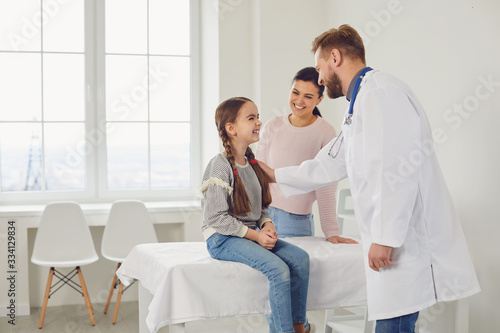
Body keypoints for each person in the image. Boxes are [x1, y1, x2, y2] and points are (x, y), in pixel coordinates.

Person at [258, 25, 481, 332]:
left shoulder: (381, 94)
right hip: (391, 246)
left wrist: (385, 238)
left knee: (395, 323)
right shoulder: (360, 102)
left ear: (335, 57)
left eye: (321, 68)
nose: (320, 79)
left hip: (402, 244)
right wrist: (272, 174)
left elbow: (397, 169)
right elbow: (330, 163)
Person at [200, 97, 311, 333]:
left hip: (246, 234)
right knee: (278, 269)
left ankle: (299, 327)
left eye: (258, 116)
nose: (259, 122)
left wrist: (267, 224)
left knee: (300, 259)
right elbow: (217, 218)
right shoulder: (219, 165)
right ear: (231, 128)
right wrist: (256, 236)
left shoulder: (251, 164)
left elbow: (259, 208)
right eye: (251, 118)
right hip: (221, 238)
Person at [257, 66, 356, 245]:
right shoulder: (273, 125)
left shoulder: (325, 132)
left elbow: (326, 186)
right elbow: (257, 174)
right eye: (295, 92)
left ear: (319, 99)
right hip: (262, 219)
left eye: (308, 96)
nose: (299, 101)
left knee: (298, 271)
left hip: (295, 223)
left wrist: (331, 232)